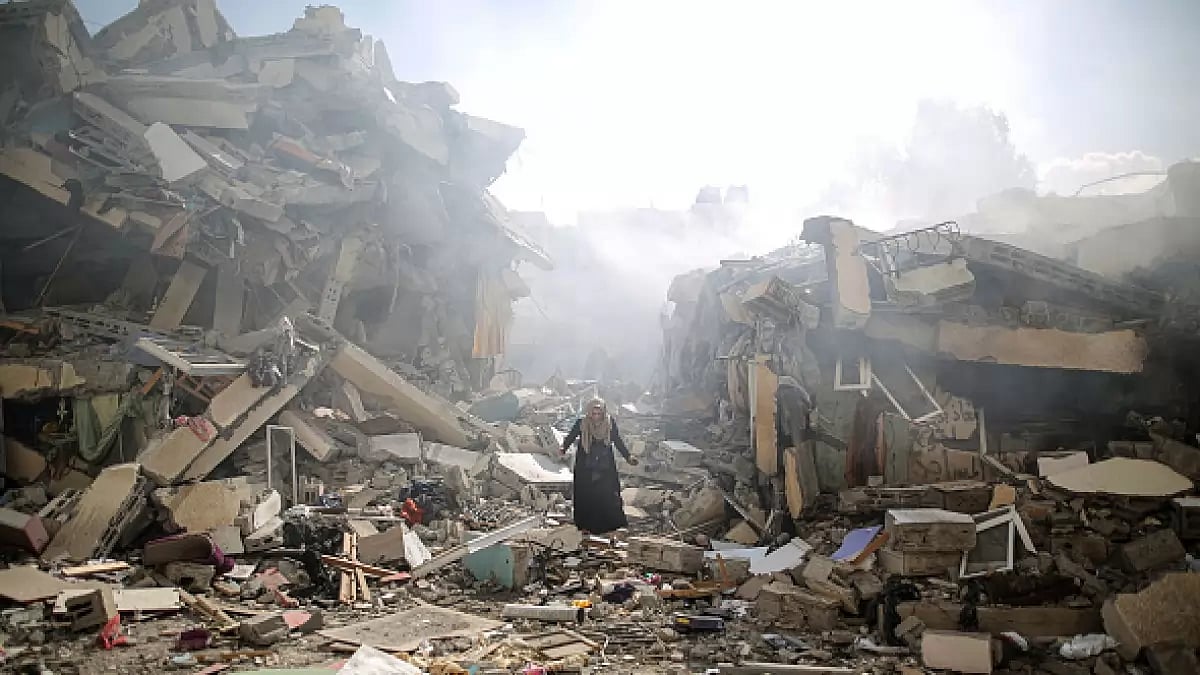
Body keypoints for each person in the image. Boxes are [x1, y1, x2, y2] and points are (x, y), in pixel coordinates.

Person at [560, 398, 638, 535]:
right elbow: (570, 437)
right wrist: (563, 448)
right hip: (585, 464)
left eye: (599, 413)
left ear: (603, 413)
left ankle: (611, 525)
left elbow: (617, 440)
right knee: (585, 495)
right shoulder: (582, 423)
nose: (596, 417)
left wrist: (628, 456)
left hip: (605, 464)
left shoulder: (609, 423)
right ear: (589, 413)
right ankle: (584, 525)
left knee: (608, 493)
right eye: (593, 413)